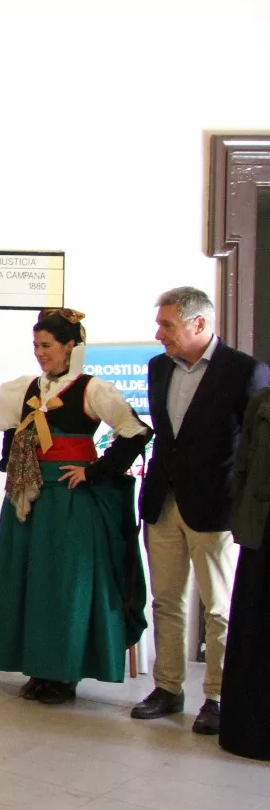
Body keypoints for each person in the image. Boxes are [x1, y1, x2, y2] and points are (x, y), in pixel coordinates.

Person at [0, 309, 152, 705]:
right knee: (31, 579)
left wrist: (95, 471)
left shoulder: (91, 390)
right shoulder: (24, 389)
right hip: (31, 499)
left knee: (64, 583)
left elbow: (135, 431)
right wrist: (15, 469)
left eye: (48, 346)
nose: (41, 353)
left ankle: (64, 672)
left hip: (69, 500)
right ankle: (39, 668)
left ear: (70, 346)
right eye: (36, 346)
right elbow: (11, 434)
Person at [135, 287, 268, 733]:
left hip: (216, 507)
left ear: (199, 324)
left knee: (219, 609)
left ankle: (216, 695)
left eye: (167, 325)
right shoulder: (157, 369)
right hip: (164, 503)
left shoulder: (245, 372)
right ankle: (168, 688)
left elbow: (256, 447)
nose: (159, 335)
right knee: (166, 601)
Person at [224, 385, 270, 757]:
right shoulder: (263, 400)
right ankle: (251, 732)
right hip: (262, 529)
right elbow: (243, 464)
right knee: (257, 628)